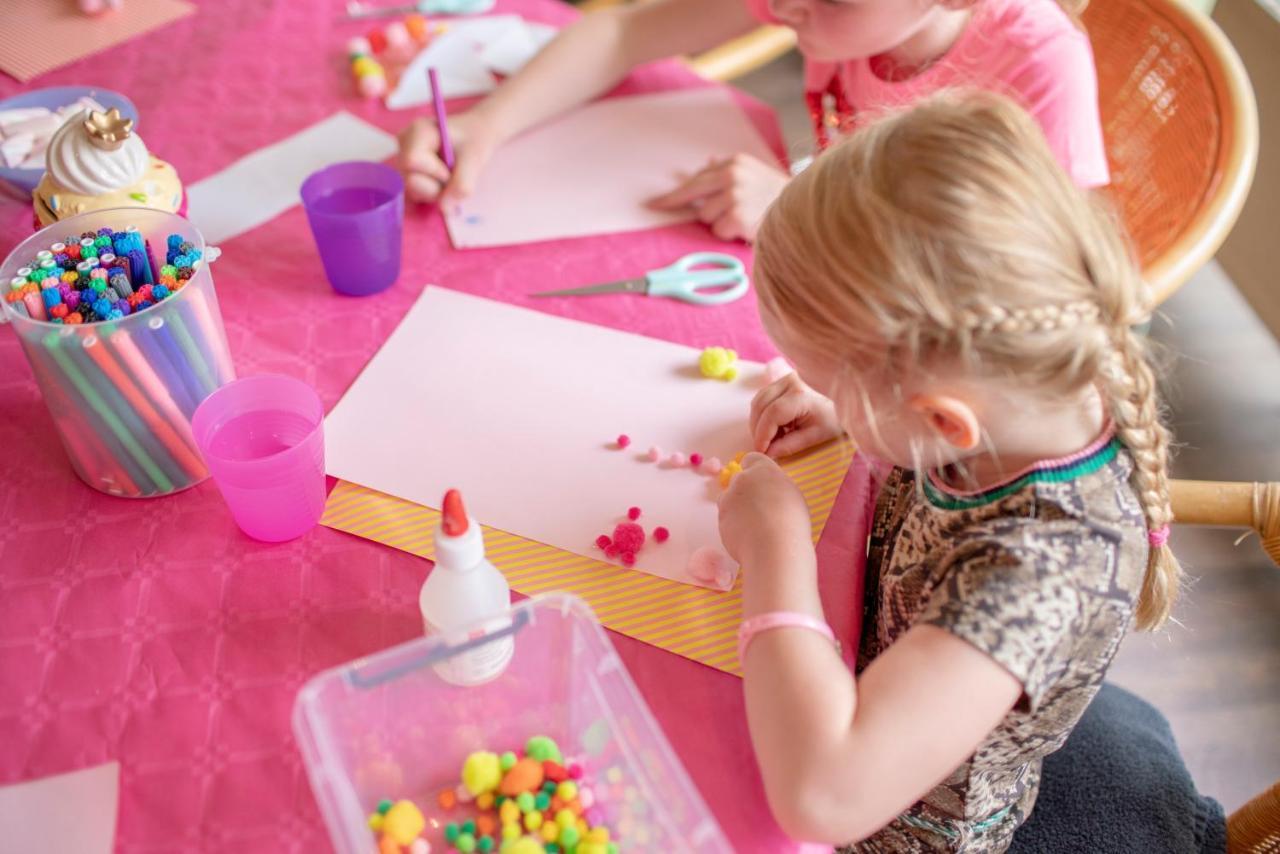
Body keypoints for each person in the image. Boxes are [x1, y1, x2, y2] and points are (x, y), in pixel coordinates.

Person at [718, 90, 1176, 850]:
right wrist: (856, 409)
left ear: (941, 420)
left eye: (837, 386)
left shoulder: (1035, 576)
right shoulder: (1027, 384)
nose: (833, 400)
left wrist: (775, 546)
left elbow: (823, 799)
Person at [397, 0, 1109, 242]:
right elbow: (622, 34)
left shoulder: (1039, 67)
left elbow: (1031, 292)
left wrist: (805, 213)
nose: (784, 6)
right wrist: (486, 126)